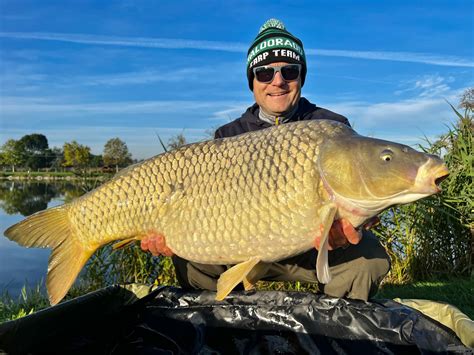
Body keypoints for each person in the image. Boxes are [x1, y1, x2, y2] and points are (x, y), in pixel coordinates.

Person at [141, 19, 390, 301]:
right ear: (252, 81)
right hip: (239, 245)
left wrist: (362, 220)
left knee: (369, 258)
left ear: (301, 77)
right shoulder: (228, 135)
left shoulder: (332, 126)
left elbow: (364, 187)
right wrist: (172, 234)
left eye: (289, 71)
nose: (278, 81)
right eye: (264, 73)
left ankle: (336, 332)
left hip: (311, 248)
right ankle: (220, 327)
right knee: (190, 258)